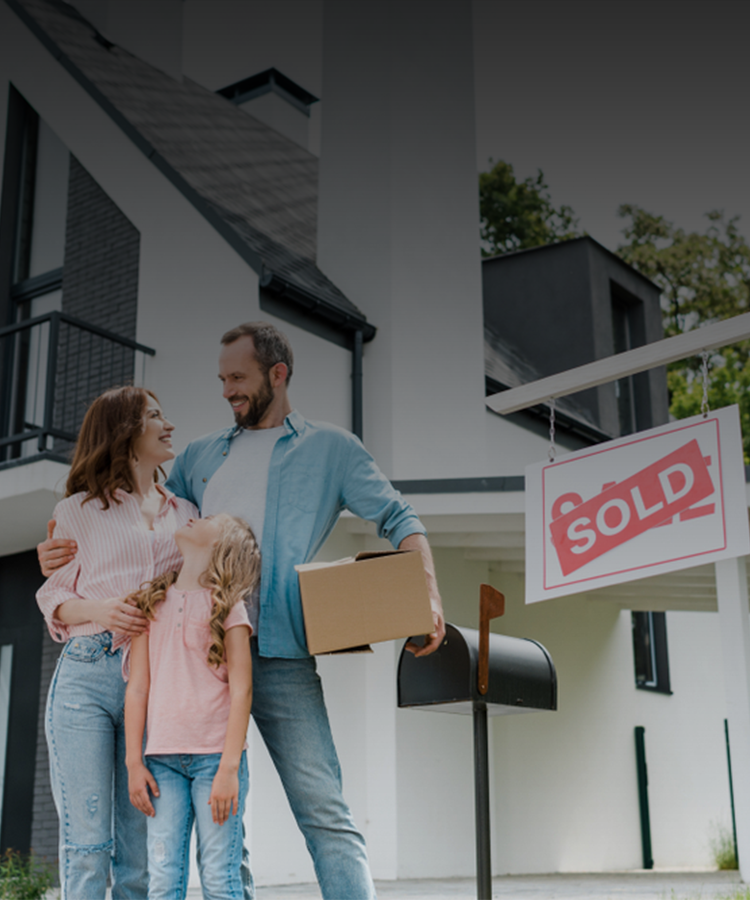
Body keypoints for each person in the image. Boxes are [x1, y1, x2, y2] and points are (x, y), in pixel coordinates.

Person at [39, 322, 446, 900]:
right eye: (222, 379)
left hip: (279, 653)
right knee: (214, 827)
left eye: (238, 378)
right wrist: (56, 548)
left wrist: (427, 593)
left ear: (277, 374)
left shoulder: (332, 448)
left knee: (324, 809)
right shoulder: (201, 455)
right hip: (189, 661)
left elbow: (400, 518)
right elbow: (137, 518)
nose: (227, 390)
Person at [36, 386, 198, 900]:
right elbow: (54, 597)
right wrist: (103, 610)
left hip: (154, 682)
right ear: (126, 433)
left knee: (140, 847)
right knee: (86, 847)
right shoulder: (78, 510)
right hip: (85, 674)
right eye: (155, 416)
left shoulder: (187, 513)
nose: (168, 424)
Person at [125, 513, 258, 900]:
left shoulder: (229, 607)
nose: (197, 518)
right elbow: (136, 689)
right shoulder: (150, 603)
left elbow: (242, 691)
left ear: (220, 546)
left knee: (219, 878)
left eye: (211, 520)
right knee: (163, 881)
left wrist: (229, 768)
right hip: (161, 763)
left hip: (216, 761)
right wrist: (134, 762)